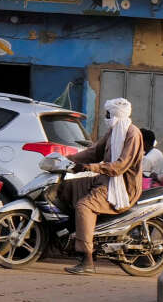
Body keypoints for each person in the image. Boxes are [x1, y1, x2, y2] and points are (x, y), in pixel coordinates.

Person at [56, 97, 144, 275]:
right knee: (66, 188)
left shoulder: (132, 134)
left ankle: (87, 258)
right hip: (105, 180)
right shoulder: (114, 131)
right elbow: (94, 152)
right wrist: (65, 160)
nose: (105, 117)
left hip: (122, 187)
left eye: (108, 114)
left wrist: (88, 167)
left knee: (84, 206)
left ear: (115, 115)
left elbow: (119, 167)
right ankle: (73, 235)